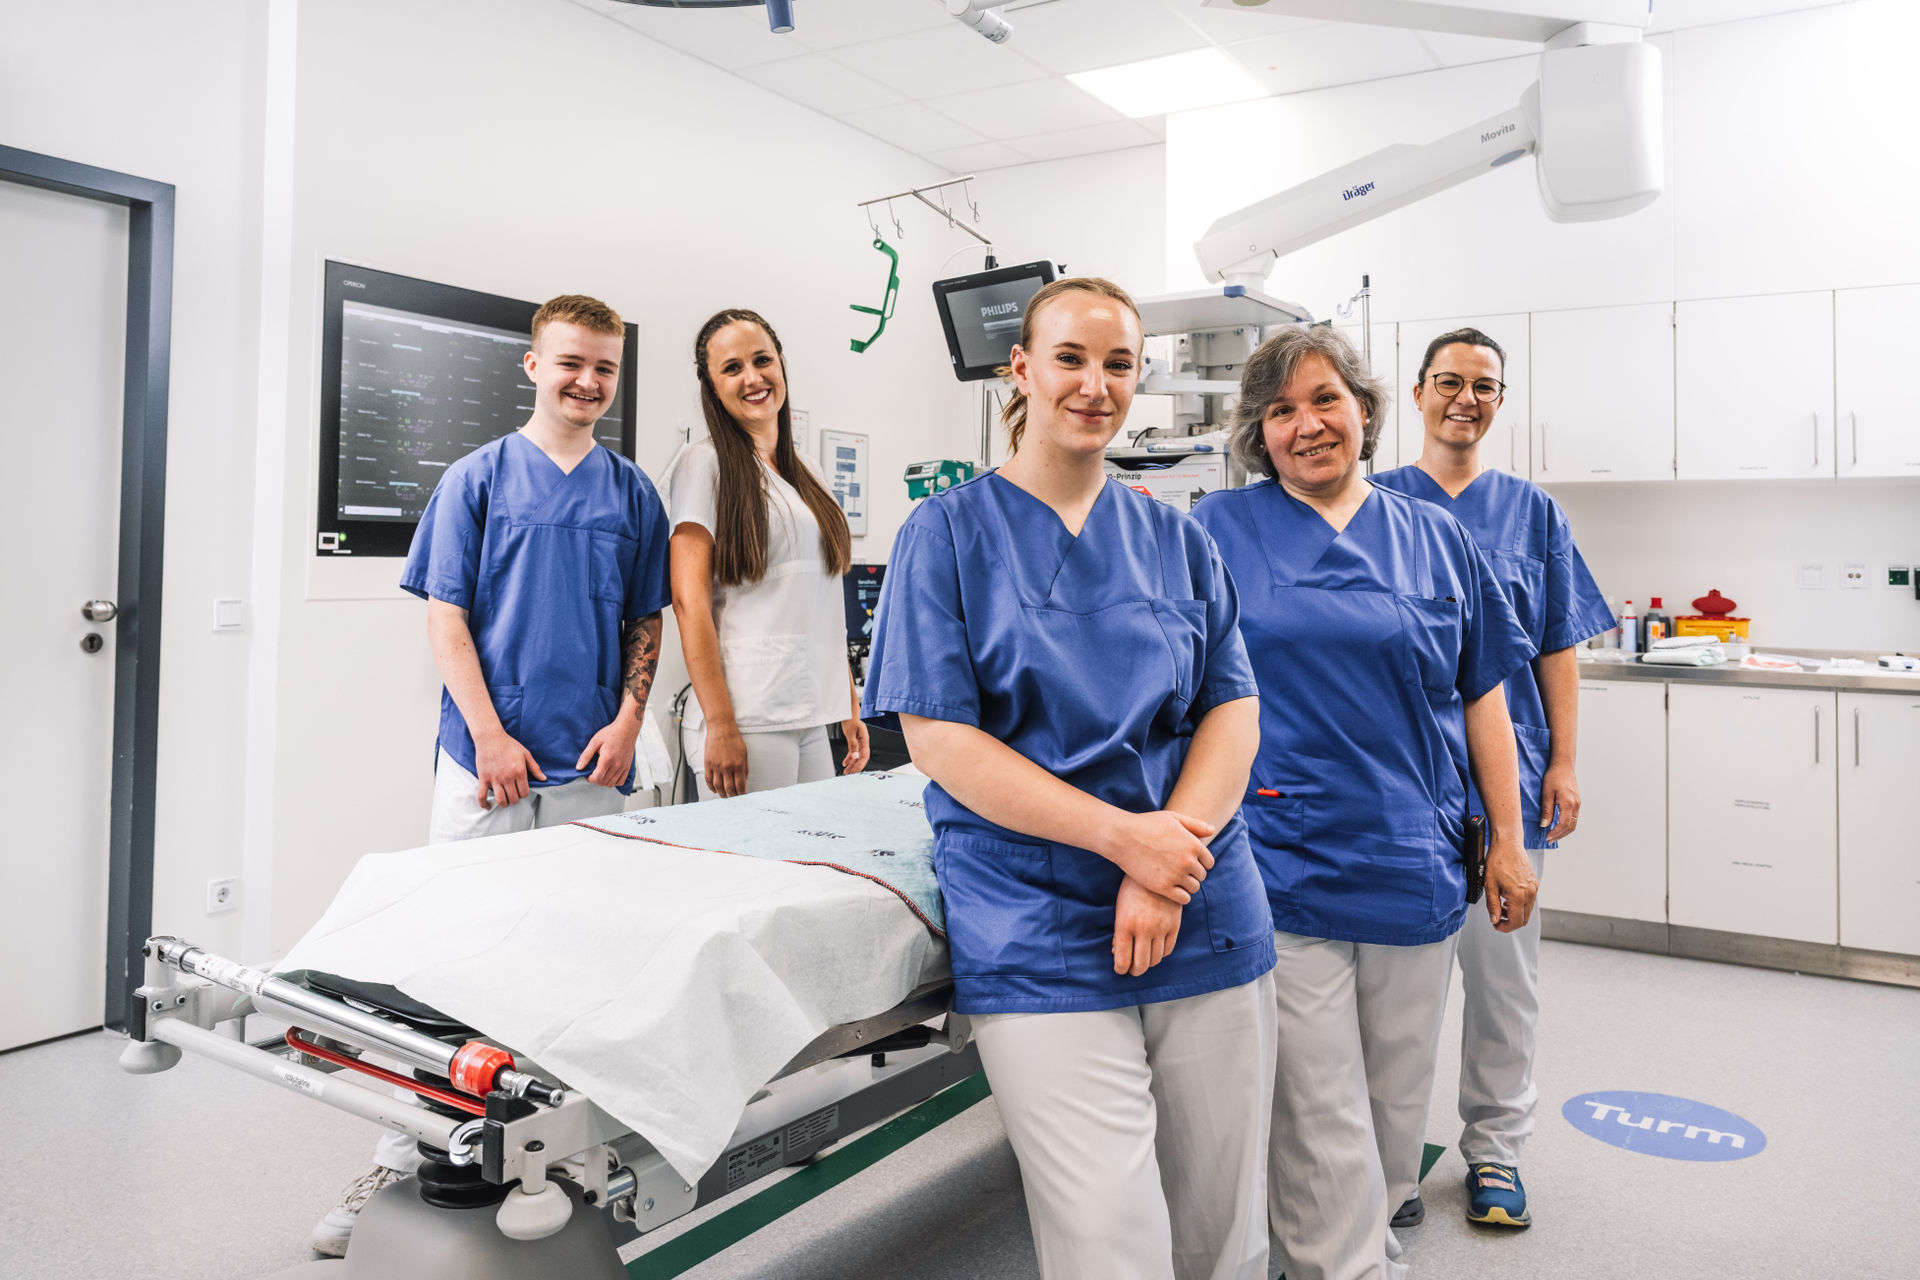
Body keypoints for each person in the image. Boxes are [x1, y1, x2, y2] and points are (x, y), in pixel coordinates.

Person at [863, 278, 1279, 1280]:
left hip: (1201, 893)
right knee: (1108, 1233)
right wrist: (1120, 838)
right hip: (1037, 911)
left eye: (1120, 364)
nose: (1096, 384)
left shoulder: (1178, 538)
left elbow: (1232, 707)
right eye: (1071, 358)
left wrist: (1161, 853)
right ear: (1023, 370)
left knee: (1224, 1221)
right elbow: (941, 738)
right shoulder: (947, 534)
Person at [311, 294, 671, 1256]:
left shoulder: (631, 491)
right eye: (571, 364)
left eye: (604, 368)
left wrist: (633, 717)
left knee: (580, 965)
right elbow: (445, 616)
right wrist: (491, 734)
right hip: (488, 764)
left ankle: (557, 1157)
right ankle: (399, 1155)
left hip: (592, 762)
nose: (588, 382)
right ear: (533, 366)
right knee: (447, 969)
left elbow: (647, 621)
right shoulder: (475, 479)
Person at [1191, 324, 1537, 1280]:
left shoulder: (1437, 540)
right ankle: (1343, 1264)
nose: (1307, 425)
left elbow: (1486, 696)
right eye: (1281, 411)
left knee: (1393, 1097)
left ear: (1366, 410)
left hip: (1412, 858)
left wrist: (1508, 840)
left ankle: (1369, 1221)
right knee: (1318, 1098)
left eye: (1325, 400)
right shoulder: (1215, 534)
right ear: (1260, 436)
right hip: (1279, 856)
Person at [1372, 328, 1615, 1229]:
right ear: (1420, 390)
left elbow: (1556, 643)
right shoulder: (1376, 502)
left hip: (1510, 786)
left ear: (1500, 402)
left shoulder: (1533, 514)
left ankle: (1495, 1152)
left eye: (1484, 386)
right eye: (1449, 382)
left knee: (1504, 978)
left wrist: (1567, 760)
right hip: (1407, 784)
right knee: (1402, 994)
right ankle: (1390, 1167)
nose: (1465, 399)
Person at [667, 308, 868, 799]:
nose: (753, 378)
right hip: (748, 714)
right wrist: (720, 724)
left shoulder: (811, 473)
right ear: (713, 387)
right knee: (755, 873)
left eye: (762, 360)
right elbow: (689, 602)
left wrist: (849, 704)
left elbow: (820, 604)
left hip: (810, 711)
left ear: (781, 366)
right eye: (732, 368)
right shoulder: (703, 464)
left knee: (814, 866)